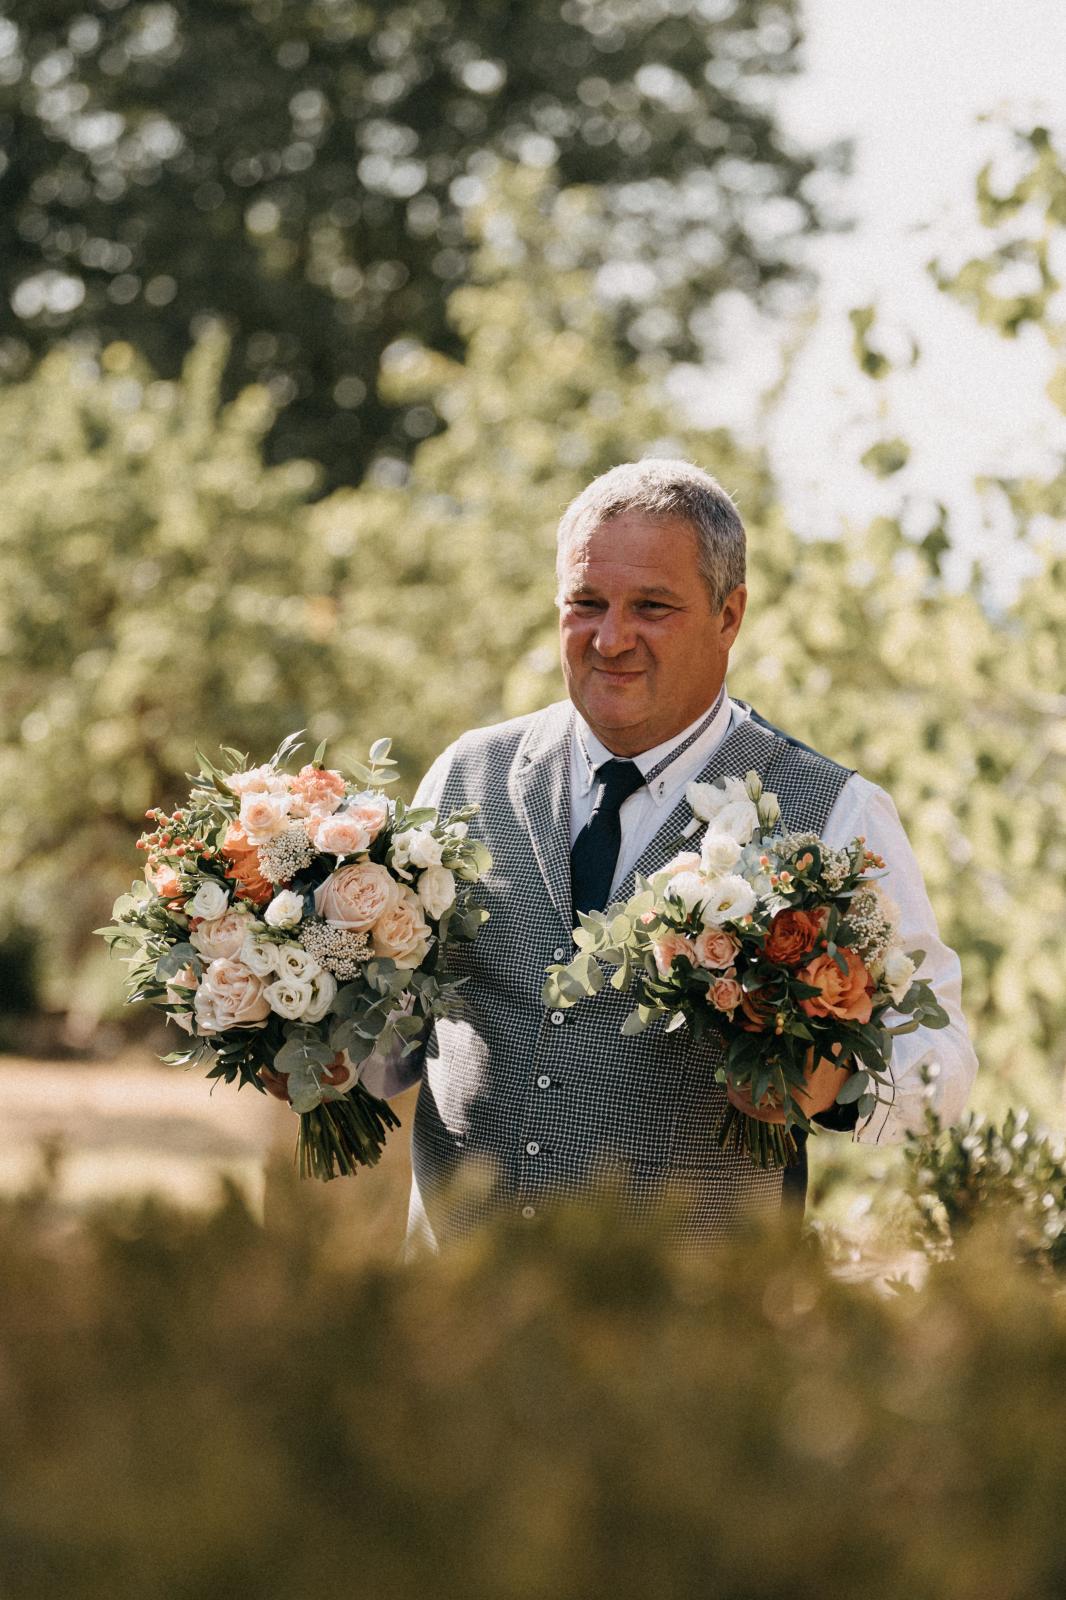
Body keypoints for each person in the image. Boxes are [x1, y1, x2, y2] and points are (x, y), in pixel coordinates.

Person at [362, 459, 977, 1252]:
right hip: (454, 1317)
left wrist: (827, 1086)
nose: (610, 639)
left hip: (690, 1343)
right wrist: (317, 1043)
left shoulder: (835, 812)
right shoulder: (465, 773)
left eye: (652, 607)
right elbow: (397, 1043)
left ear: (730, 615)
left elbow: (941, 1059)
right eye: (586, 604)